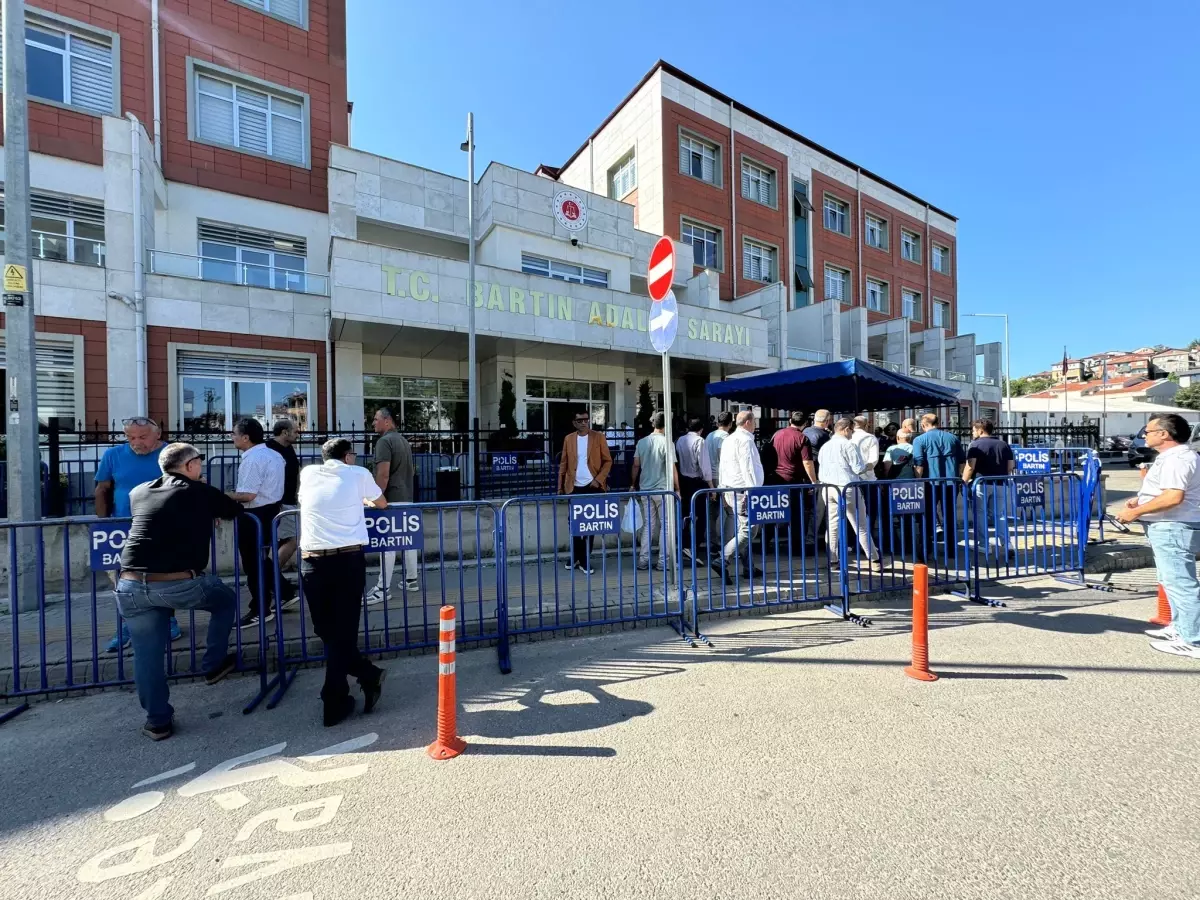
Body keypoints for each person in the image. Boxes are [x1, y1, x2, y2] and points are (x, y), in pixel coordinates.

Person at [114, 443, 244, 740]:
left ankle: (157, 721)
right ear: (189, 466)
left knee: (147, 655)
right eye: (199, 462)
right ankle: (213, 664)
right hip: (180, 582)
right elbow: (233, 511)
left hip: (131, 584)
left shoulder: (139, 491)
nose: (201, 467)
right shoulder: (199, 491)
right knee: (225, 600)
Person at [299, 438, 390, 725]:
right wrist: (362, 500)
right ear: (348, 456)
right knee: (336, 631)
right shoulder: (358, 474)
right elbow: (382, 503)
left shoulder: (308, 473)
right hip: (345, 561)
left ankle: (333, 698)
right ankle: (367, 672)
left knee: (331, 629)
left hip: (312, 561)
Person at [1115, 414, 1200, 660]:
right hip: (1170, 525)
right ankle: (1181, 628)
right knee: (1170, 580)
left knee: (1179, 583)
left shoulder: (1177, 459)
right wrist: (1140, 499)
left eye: (1149, 431)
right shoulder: (1177, 457)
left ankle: (1192, 639)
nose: (1144, 435)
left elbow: (1173, 496)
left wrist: (1135, 512)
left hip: (1172, 525)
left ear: (1164, 434)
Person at [95, 417, 180, 652]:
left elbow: (189, 485)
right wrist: (103, 525)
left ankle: (168, 620)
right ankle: (126, 626)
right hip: (123, 527)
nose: (136, 442)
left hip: (163, 524)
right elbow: (102, 489)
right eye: (131, 437)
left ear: (158, 433)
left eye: (142, 437)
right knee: (124, 580)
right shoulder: (113, 455)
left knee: (164, 575)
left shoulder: (172, 454)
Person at [228, 418, 286, 629]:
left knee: (253, 564)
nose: (232, 437)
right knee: (260, 560)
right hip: (271, 511)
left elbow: (248, 495)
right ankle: (285, 592)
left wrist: (224, 497)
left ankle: (260, 609)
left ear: (245, 437)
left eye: (234, 433)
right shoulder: (274, 454)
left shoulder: (253, 459)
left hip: (255, 514)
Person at [365, 408, 419, 603]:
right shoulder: (404, 441)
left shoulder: (384, 442)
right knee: (407, 541)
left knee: (387, 544)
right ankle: (411, 579)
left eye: (376, 419)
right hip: (407, 496)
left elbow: (383, 474)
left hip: (390, 499)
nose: (373, 423)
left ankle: (382, 588)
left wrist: (375, 497)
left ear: (387, 421)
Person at [817, 418, 883, 571]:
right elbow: (858, 468)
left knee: (832, 525)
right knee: (860, 525)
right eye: (852, 430)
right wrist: (870, 465)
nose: (852, 434)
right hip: (847, 486)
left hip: (828, 487)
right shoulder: (848, 445)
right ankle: (874, 559)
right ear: (846, 429)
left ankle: (833, 560)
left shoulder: (825, 447)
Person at [557, 407, 613, 574]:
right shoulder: (568, 439)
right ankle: (576, 556)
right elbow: (563, 463)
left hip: (593, 486)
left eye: (586, 419)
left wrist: (598, 480)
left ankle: (584, 559)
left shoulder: (599, 437)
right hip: (573, 487)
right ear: (574, 423)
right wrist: (559, 486)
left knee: (590, 525)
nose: (584, 423)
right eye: (580, 420)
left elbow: (608, 461)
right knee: (574, 524)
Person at [910, 413, 966, 563]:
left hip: (929, 484)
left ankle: (925, 550)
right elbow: (962, 461)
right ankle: (951, 549)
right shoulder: (953, 438)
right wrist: (959, 477)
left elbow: (919, 464)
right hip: (950, 482)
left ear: (923, 425)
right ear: (938, 422)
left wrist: (917, 481)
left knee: (926, 516)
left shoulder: (919, 440)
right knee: (949, 515)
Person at [718, 410, 765, 581]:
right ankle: (723, 557)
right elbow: (748, 468)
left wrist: (721, 487)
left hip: (731, 489)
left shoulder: (729, 439)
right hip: (743, 491)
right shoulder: (746, 441)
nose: (755, 425)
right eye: (754, 422)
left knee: (742, 529)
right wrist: (752, 491)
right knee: (749, 530)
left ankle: (748, 567)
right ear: (748, 422)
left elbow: (722, 465)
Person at [631, 412, 679, 571]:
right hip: (663, 489)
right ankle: (663, 562)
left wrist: (633, 484)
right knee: (666, 526)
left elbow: (636, 465)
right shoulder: (668, 442)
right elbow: (672, 468)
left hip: (645, 488)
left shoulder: (642, 442)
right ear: (667, 425)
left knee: (648, 525)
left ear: (653, 424)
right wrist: (677, 488)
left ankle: (643, 561)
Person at [963, 419, 1016, 558]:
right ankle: (1007, 543)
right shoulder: (1003, 444)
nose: (973, 433)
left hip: (981, 483)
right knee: (999, 515)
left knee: (980, 514)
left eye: (974, 430)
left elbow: (970, 466)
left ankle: (984, 545)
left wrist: (963, 482)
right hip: (1000, 484)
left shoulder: (975, 445)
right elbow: (1010, 466)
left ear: (980, 430)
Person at [266, 418, 302, 606]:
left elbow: (294, 473)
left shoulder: (289, 448)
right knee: (294, 539)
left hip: (289, 500)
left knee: (283, 541)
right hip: (278, 503)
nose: (298, 434)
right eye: (295, 431)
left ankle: (273, 581)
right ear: (284, 432)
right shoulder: (270, 449)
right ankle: (271, 578)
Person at [772, 412, 817, 551]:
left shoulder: (777, 434)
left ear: (790, 420)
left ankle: (766, 541)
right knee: (796, 515)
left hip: (776, 478)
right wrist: (814, 481)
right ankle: (796, 546)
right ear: (805, 424)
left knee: (773, 512)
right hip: (794, 481)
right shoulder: (802, 438)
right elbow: (807, 463)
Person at [676, 417, 713, 552]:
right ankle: (695, 545)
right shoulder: (699, 441)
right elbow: (704, 465)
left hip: (683, 480)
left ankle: (684, 543)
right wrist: (711, 486)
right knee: (701, 516)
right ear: (701, 429)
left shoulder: (680, 440)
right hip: (697, 481)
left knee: (685, 514)